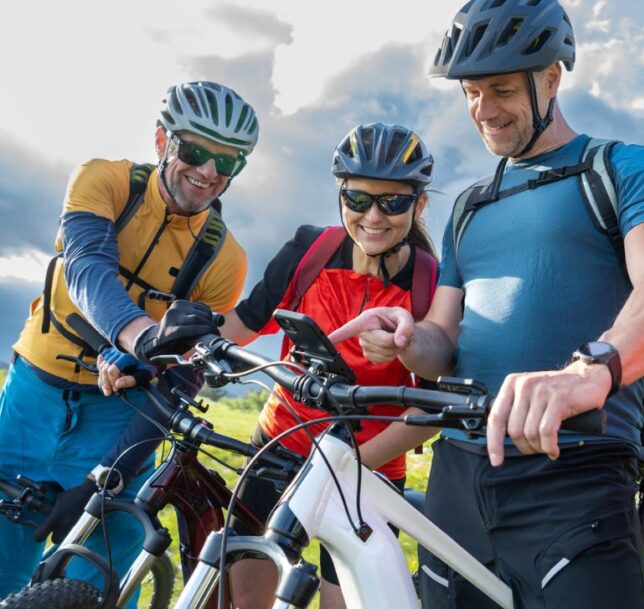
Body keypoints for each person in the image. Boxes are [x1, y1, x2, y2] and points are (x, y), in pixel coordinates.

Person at [330, 1, 644, 607]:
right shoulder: (470, 206)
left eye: (501, 89)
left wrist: (589, 373)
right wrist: (405, 336)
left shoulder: (617, 168)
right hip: (458, 475)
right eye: (472, 92)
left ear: (552, 78)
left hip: (574, 472)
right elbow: (440, 346)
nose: (484, 109)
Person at [101, 122, 441, 609]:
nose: (373, 217)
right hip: (279, 444)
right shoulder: (311, 251)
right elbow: (239, 326)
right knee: (243, 598)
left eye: (393, 203)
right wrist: (152, 357)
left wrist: (343, 469)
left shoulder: (430, 287)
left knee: (342, 601)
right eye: (358, 199)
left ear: (419, 204)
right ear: (341, 194)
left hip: (366, 470)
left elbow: (426, 414)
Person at [0, 81, 255, 601]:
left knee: (97, 576)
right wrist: (141, 337)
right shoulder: (104, 180)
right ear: (162, 141)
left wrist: (107, 479)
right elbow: (87, 267)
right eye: (196, 151)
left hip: (122, 412)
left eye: (226, 163)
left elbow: (184, 375)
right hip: (34, 395)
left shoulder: (225, 258)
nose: (208, 171)